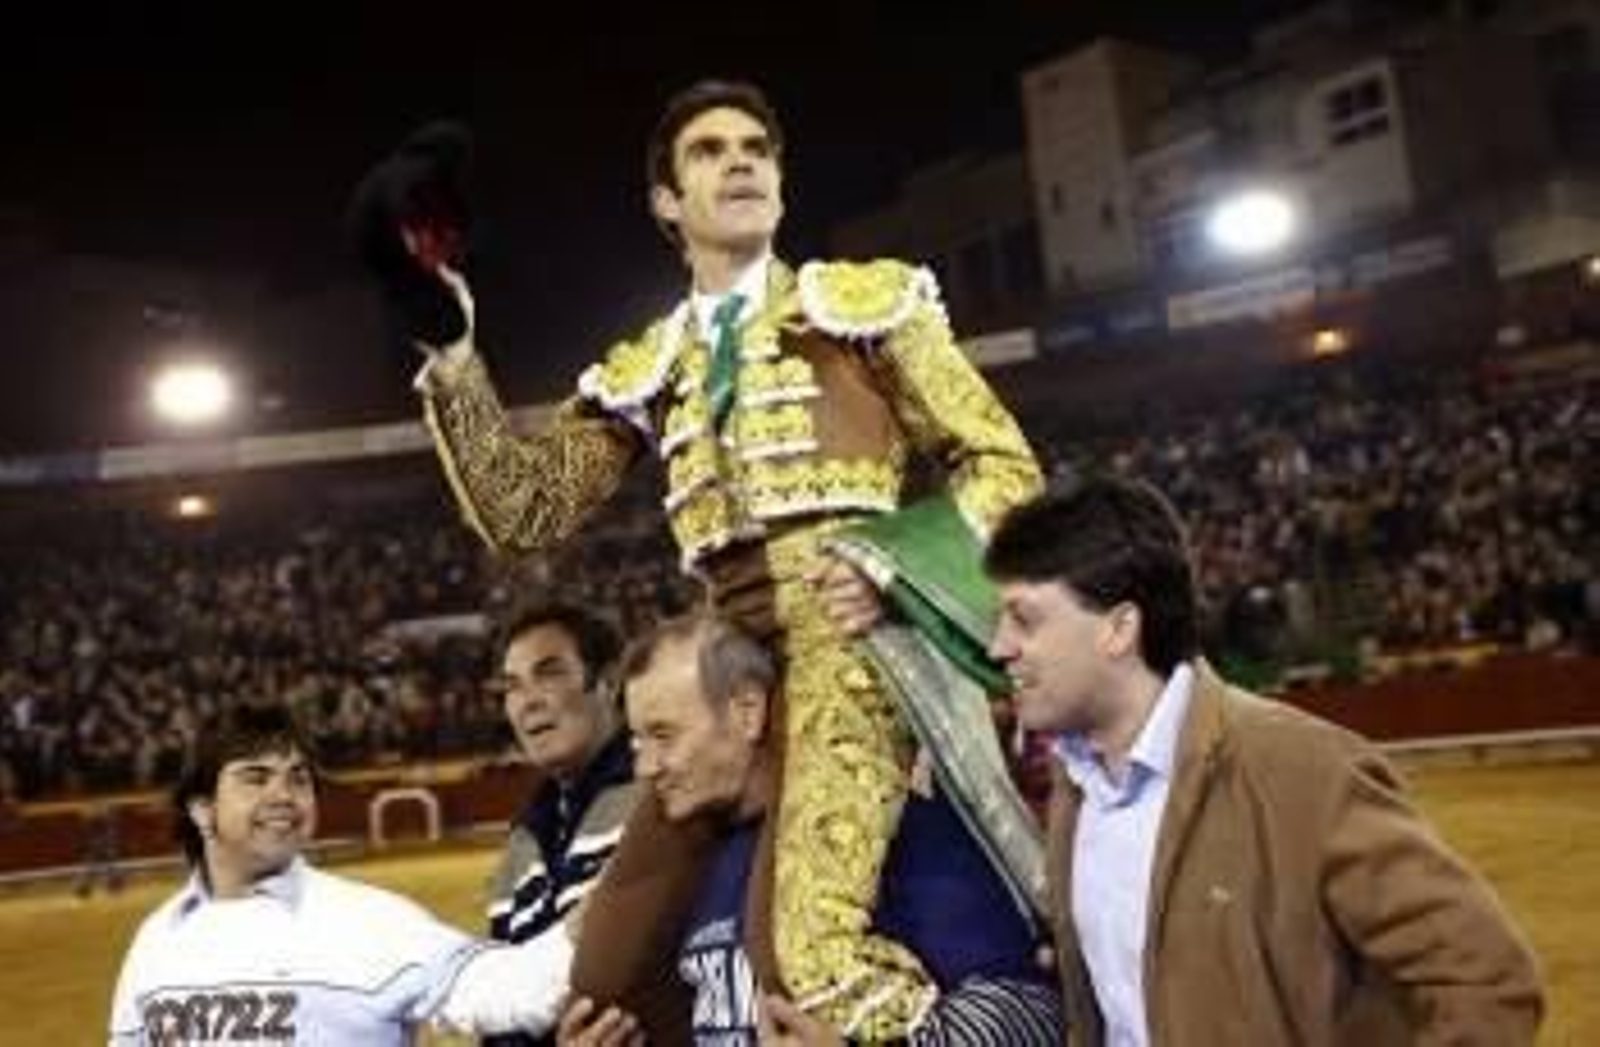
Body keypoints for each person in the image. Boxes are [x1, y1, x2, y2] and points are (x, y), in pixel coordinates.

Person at [366, 77, 1043, 1038]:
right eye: (710, 152)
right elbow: (524, 509)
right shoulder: (652, 364)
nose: (740, 164)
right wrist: (452, 352)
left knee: (812, 961)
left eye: (757, 151)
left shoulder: (862, 306)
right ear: (666, 202)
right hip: (722, 674)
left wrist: (894, 565)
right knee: (603, 973)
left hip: (853, 646)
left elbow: (1003, 464)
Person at [983, 476, 1546, 1045]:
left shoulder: (1305, 770)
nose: (997, 647)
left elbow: (1486, 979)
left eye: (1024, 620)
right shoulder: (1076, 786)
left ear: (1118, 629)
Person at [559, 612, 1063, 1046]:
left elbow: (1031, 1013)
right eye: (637, 743)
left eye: (663, 736)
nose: (645, 767)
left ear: (747, 712)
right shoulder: (690, 863)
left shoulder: (881, 824)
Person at [107, 704, 573, 1045]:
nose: (283, 795)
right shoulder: (155, 941)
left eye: (298, 778)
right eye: (256, 777)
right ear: (202, 810)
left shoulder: (372, 921)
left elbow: (521, 989)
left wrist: (614, 879)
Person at [481, 600, 638, 1047]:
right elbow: (503, 1015)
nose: (528, 702)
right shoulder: (523, 839)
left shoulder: (664, 792)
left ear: (608, 683)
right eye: (512, 686)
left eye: (548, 674)